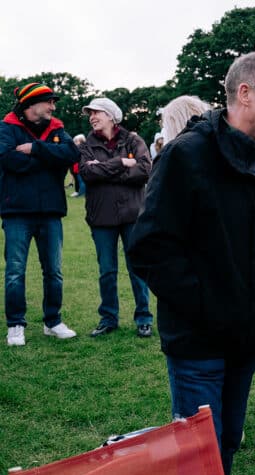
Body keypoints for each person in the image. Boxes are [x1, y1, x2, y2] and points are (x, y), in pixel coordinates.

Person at [127, 52, 255, 475]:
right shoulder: (187, 154)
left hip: (248, 339)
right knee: (200, 463)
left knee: (227, 446)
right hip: (198, 344)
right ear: (245, 93)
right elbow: (149, 246)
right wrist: (209, 307)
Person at [0, 82, 79, 346]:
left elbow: (72, 154)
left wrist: (36, 149)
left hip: (50, 212)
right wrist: (49, 162)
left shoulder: (57, 127)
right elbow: (9, 161)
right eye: (50, 101)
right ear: (31, 104)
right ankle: (15, 325)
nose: (54, 106)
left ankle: (53, 321)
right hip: (16, 212)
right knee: (15, 271)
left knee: (54, 271)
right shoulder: (6, 127)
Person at [78, 97, 154, 338]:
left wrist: (105, 170)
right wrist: (121, 162)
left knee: (137, 268)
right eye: (89, 113)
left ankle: (144, 318)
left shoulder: (133, 139)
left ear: (111, 115)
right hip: (101, 217)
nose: (92, 117)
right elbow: (87, 173)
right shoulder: (86, 144)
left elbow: (144, 169)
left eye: (96, 112)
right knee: (107, 270)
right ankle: (108, 318)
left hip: (133, 215)